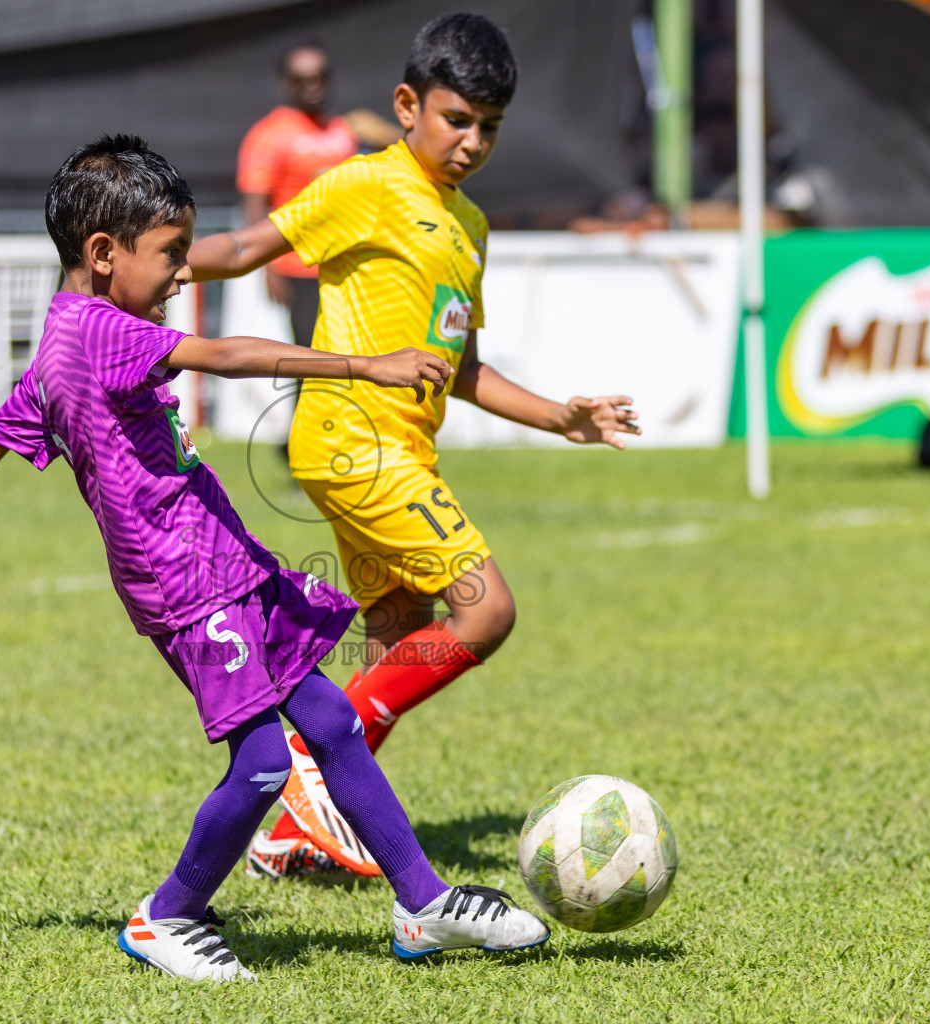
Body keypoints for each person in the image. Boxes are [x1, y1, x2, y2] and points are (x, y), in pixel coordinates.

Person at [0, 135, 550, 982]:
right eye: (172, 255)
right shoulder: (102, 331)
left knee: (328, 722)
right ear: (104, 255)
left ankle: (424, 905)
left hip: (226, 563)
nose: (184, 275)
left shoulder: (64, 341)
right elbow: (229, 354)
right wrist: (367, 364)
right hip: (185, 586)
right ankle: (166, 916)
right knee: (260, 764)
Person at [187, 14, 641, 879]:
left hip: (397, 451)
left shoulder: (468, 226)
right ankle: (310, 787)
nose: (472, 142)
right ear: (406, 105)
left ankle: (295, 827)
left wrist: (561, 418)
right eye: (457, 119)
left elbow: (459, 364)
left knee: (406, 632)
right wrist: (162, 266)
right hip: (354, 441)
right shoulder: (363, 184)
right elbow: (249, 247)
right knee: (488, 611)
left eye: (490, 127)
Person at [237, 43, 361, 352]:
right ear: (286, 84)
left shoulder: (343, 130)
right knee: (311, 361)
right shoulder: (269, 133)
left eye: (319, 77)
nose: (312, 87)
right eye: (302, 79)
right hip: (297, 266)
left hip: (344, 263)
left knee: (349, 357)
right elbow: (255, 205)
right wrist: (267, 267)